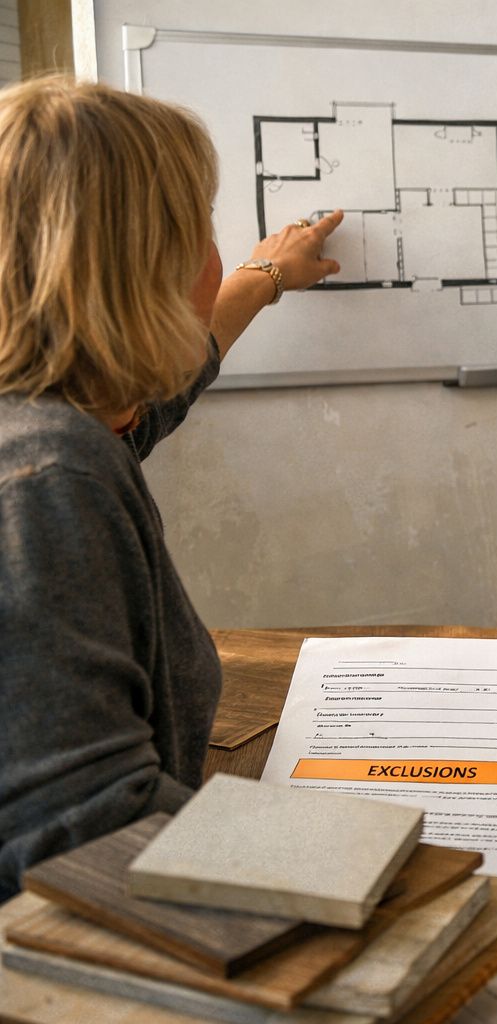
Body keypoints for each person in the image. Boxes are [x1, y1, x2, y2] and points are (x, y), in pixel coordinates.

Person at [0, 77, 341, 897]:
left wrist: (267, 274)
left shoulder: (56, 422)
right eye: (203, 229)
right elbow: (89, 825)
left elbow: (142, 412)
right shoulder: (47, 474)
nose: (217, 255)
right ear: (146, 263)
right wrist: (390, 861)